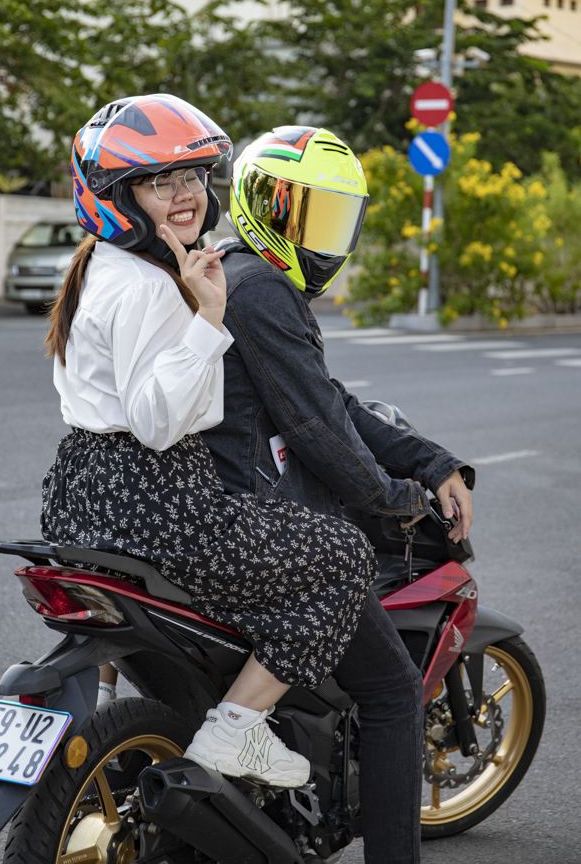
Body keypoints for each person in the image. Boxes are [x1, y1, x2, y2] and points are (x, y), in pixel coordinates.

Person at [38, 95, 420, 788]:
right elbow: (156, 424)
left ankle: (108, 705)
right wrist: (209, 318)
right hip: (155, 498)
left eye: (194, 175)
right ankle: (236, 727)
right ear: (117, 196)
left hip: (81, 491)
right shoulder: (149, 286)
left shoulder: (100, 265)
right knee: (340, 555)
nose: (186, 194)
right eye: (162, 182)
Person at [201, 126, 475, 863]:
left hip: (202, 510)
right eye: (308, 215)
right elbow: (320, 431)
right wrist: (400, 499)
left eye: (334, 219)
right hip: (259, 523)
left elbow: (330, 401)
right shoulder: (263, 290)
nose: (323, 239)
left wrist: (431, 461)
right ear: (264, 206)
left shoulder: (232, 271)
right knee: (393, 693)